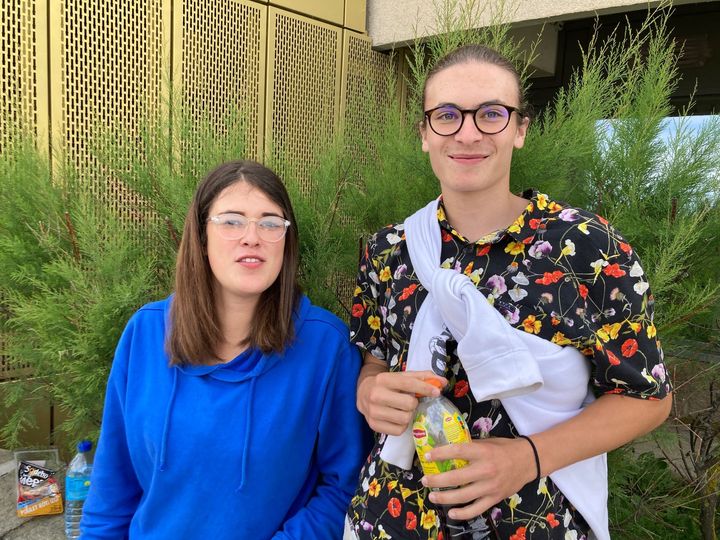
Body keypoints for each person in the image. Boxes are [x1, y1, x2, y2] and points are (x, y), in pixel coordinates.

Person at [345, 45, 672, 540]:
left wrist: (526, 458)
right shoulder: (390, 250)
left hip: (533, 519)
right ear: (424, 134)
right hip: (394, 518)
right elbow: (373, 360)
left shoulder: (588, 248)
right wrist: (370, 391)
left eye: (491, 114)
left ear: (520, 130)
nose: (468, 133)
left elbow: (647, 397)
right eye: (447, 115)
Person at [81, 160, 370, 539]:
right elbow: (111, 487)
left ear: (287, 241)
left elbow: (345, 486)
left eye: (270, 223)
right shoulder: (146, 334)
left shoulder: (325, 348)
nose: (252, 236)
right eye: (232, 220)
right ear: (201, 236)